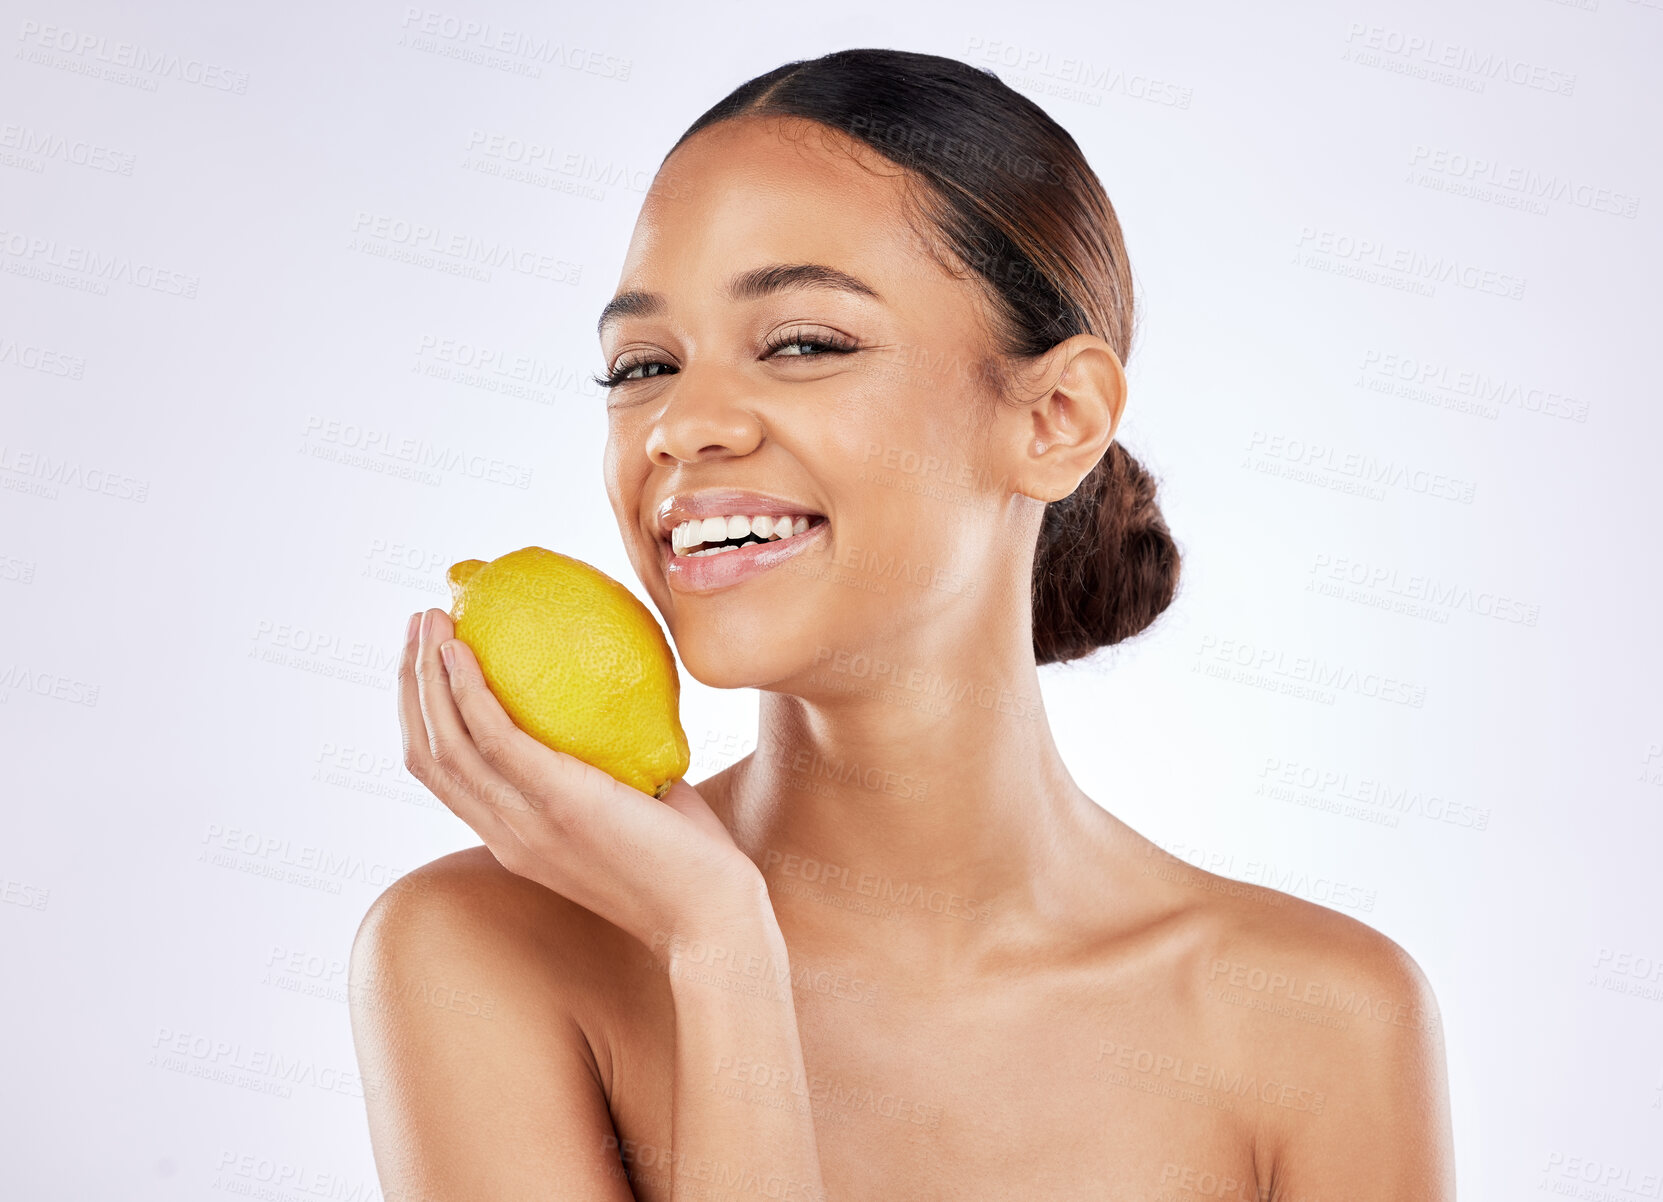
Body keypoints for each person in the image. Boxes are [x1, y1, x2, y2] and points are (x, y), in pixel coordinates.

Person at [349, 48, 1455, 1201]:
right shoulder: (477, 951)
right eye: (641, 364)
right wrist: (720, 950)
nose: (680, 425)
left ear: (1058, 417)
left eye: (801, 342)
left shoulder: (1322, 1019)